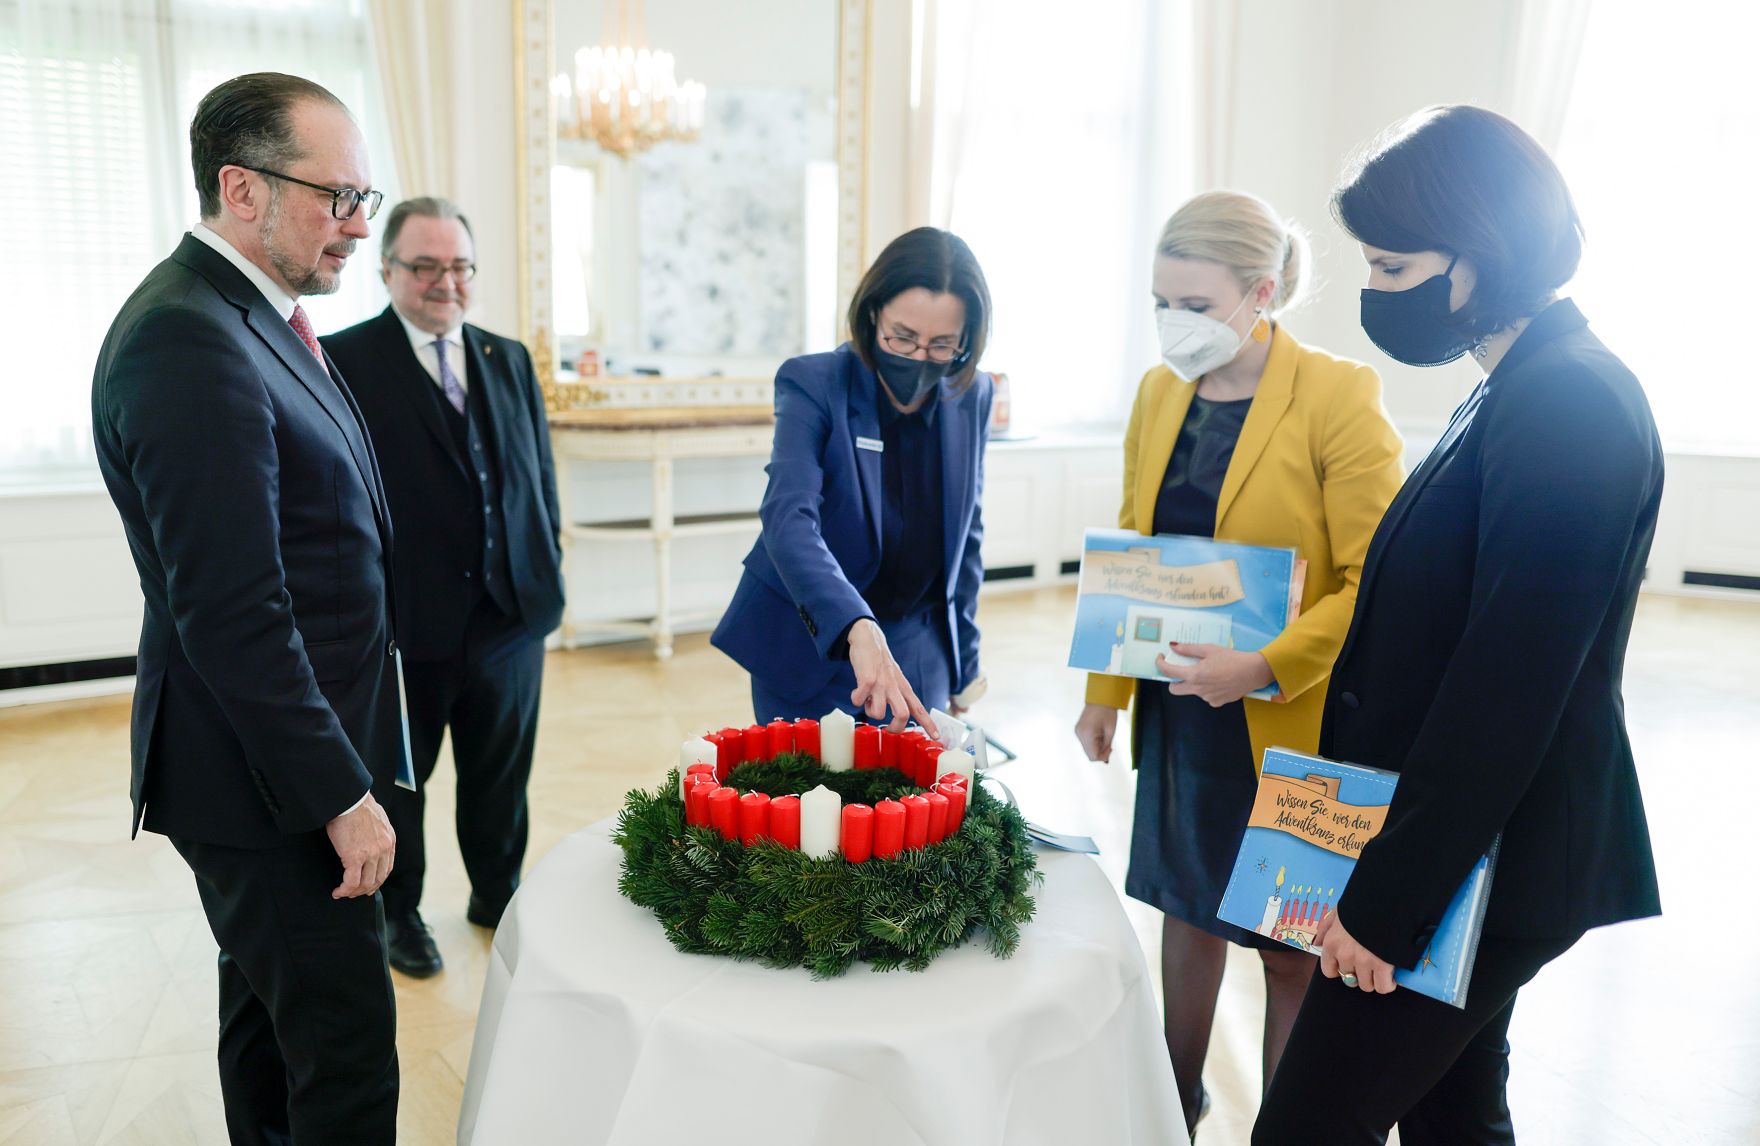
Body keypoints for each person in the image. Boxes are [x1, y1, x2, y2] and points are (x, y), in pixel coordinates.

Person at [1254, 105, 1663, 1145]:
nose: (1374, 295)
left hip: (1477, 864)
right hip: (1454, 852)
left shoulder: (1565, 403)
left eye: (1391, 269)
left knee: (1304, 1128)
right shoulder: (1514, 388)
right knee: (1451, 1118)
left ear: (1477, 259)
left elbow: (1505, 690)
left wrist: (1384, 905)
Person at [91, 73, 402, 1143]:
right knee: (346, 1050)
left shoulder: (253, 317)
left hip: (285, 759)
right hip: (264, 781)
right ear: (242, 188)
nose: (358, 226)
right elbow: (232, 611)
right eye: (337, 197)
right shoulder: (188, 338)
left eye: (365, 197)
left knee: (271, 1029)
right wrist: (337, 794)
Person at [1073, 190, 1405, 1138]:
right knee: (1188, 910)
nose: (1175, 325)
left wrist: (1261, 665)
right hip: (1182, 706)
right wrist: (1104, 691)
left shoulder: (1337, 395)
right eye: (1161, 302)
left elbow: (1372, 582)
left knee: (1291, 943)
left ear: (1261, 293)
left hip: (1290, 713)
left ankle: (1289, 1127)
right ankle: (1175, 1102)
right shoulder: (1158, 391)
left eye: (1196, 305)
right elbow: (1136, 546)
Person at [322, 198, 564, 975]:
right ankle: (401, 917)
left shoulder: (507, 357)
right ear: (389, 269)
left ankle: (499, 896)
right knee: (401, 782)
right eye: (424, 266)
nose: (444, 282)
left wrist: (545, 571)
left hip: (508, 617)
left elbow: (538, 481)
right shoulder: (342, 359)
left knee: (502, 774)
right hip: (402, 624)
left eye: (458, 266)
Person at [712, 227, 994, 729]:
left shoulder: (972, 394)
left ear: (966, 341)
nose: (918, 357)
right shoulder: (814, 383)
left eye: (941, 345)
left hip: (916, 646)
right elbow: (789, 516)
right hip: (813, 646)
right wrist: (855, 623)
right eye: (902, 337)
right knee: (810, 800)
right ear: (871, 314)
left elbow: (967, 533)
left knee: (910, 801)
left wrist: (964, 664)